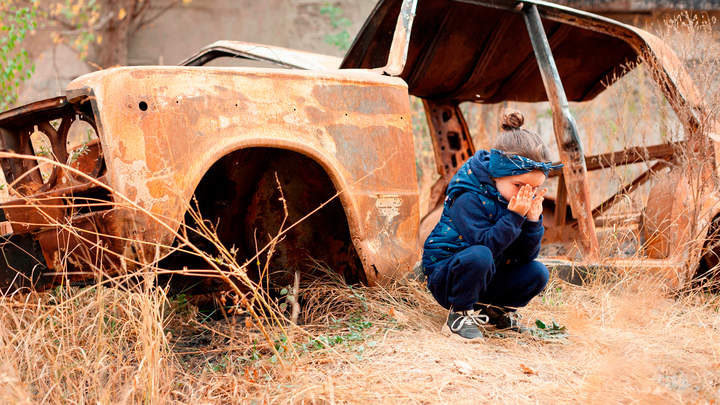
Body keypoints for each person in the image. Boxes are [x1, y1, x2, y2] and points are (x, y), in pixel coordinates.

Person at [421, 109, 562, 341]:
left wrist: (533, 223)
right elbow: (486, 245)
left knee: (537, 272)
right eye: (520, 185)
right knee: (480, 255)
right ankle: (459, 315)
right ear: (497, 174)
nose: (527, 194)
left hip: (487, 276)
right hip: (450, 278)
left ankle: (495, 311)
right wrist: (515, 217)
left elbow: (524, 257)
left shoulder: (512, 199)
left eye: (534, 189)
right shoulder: (468, 197)